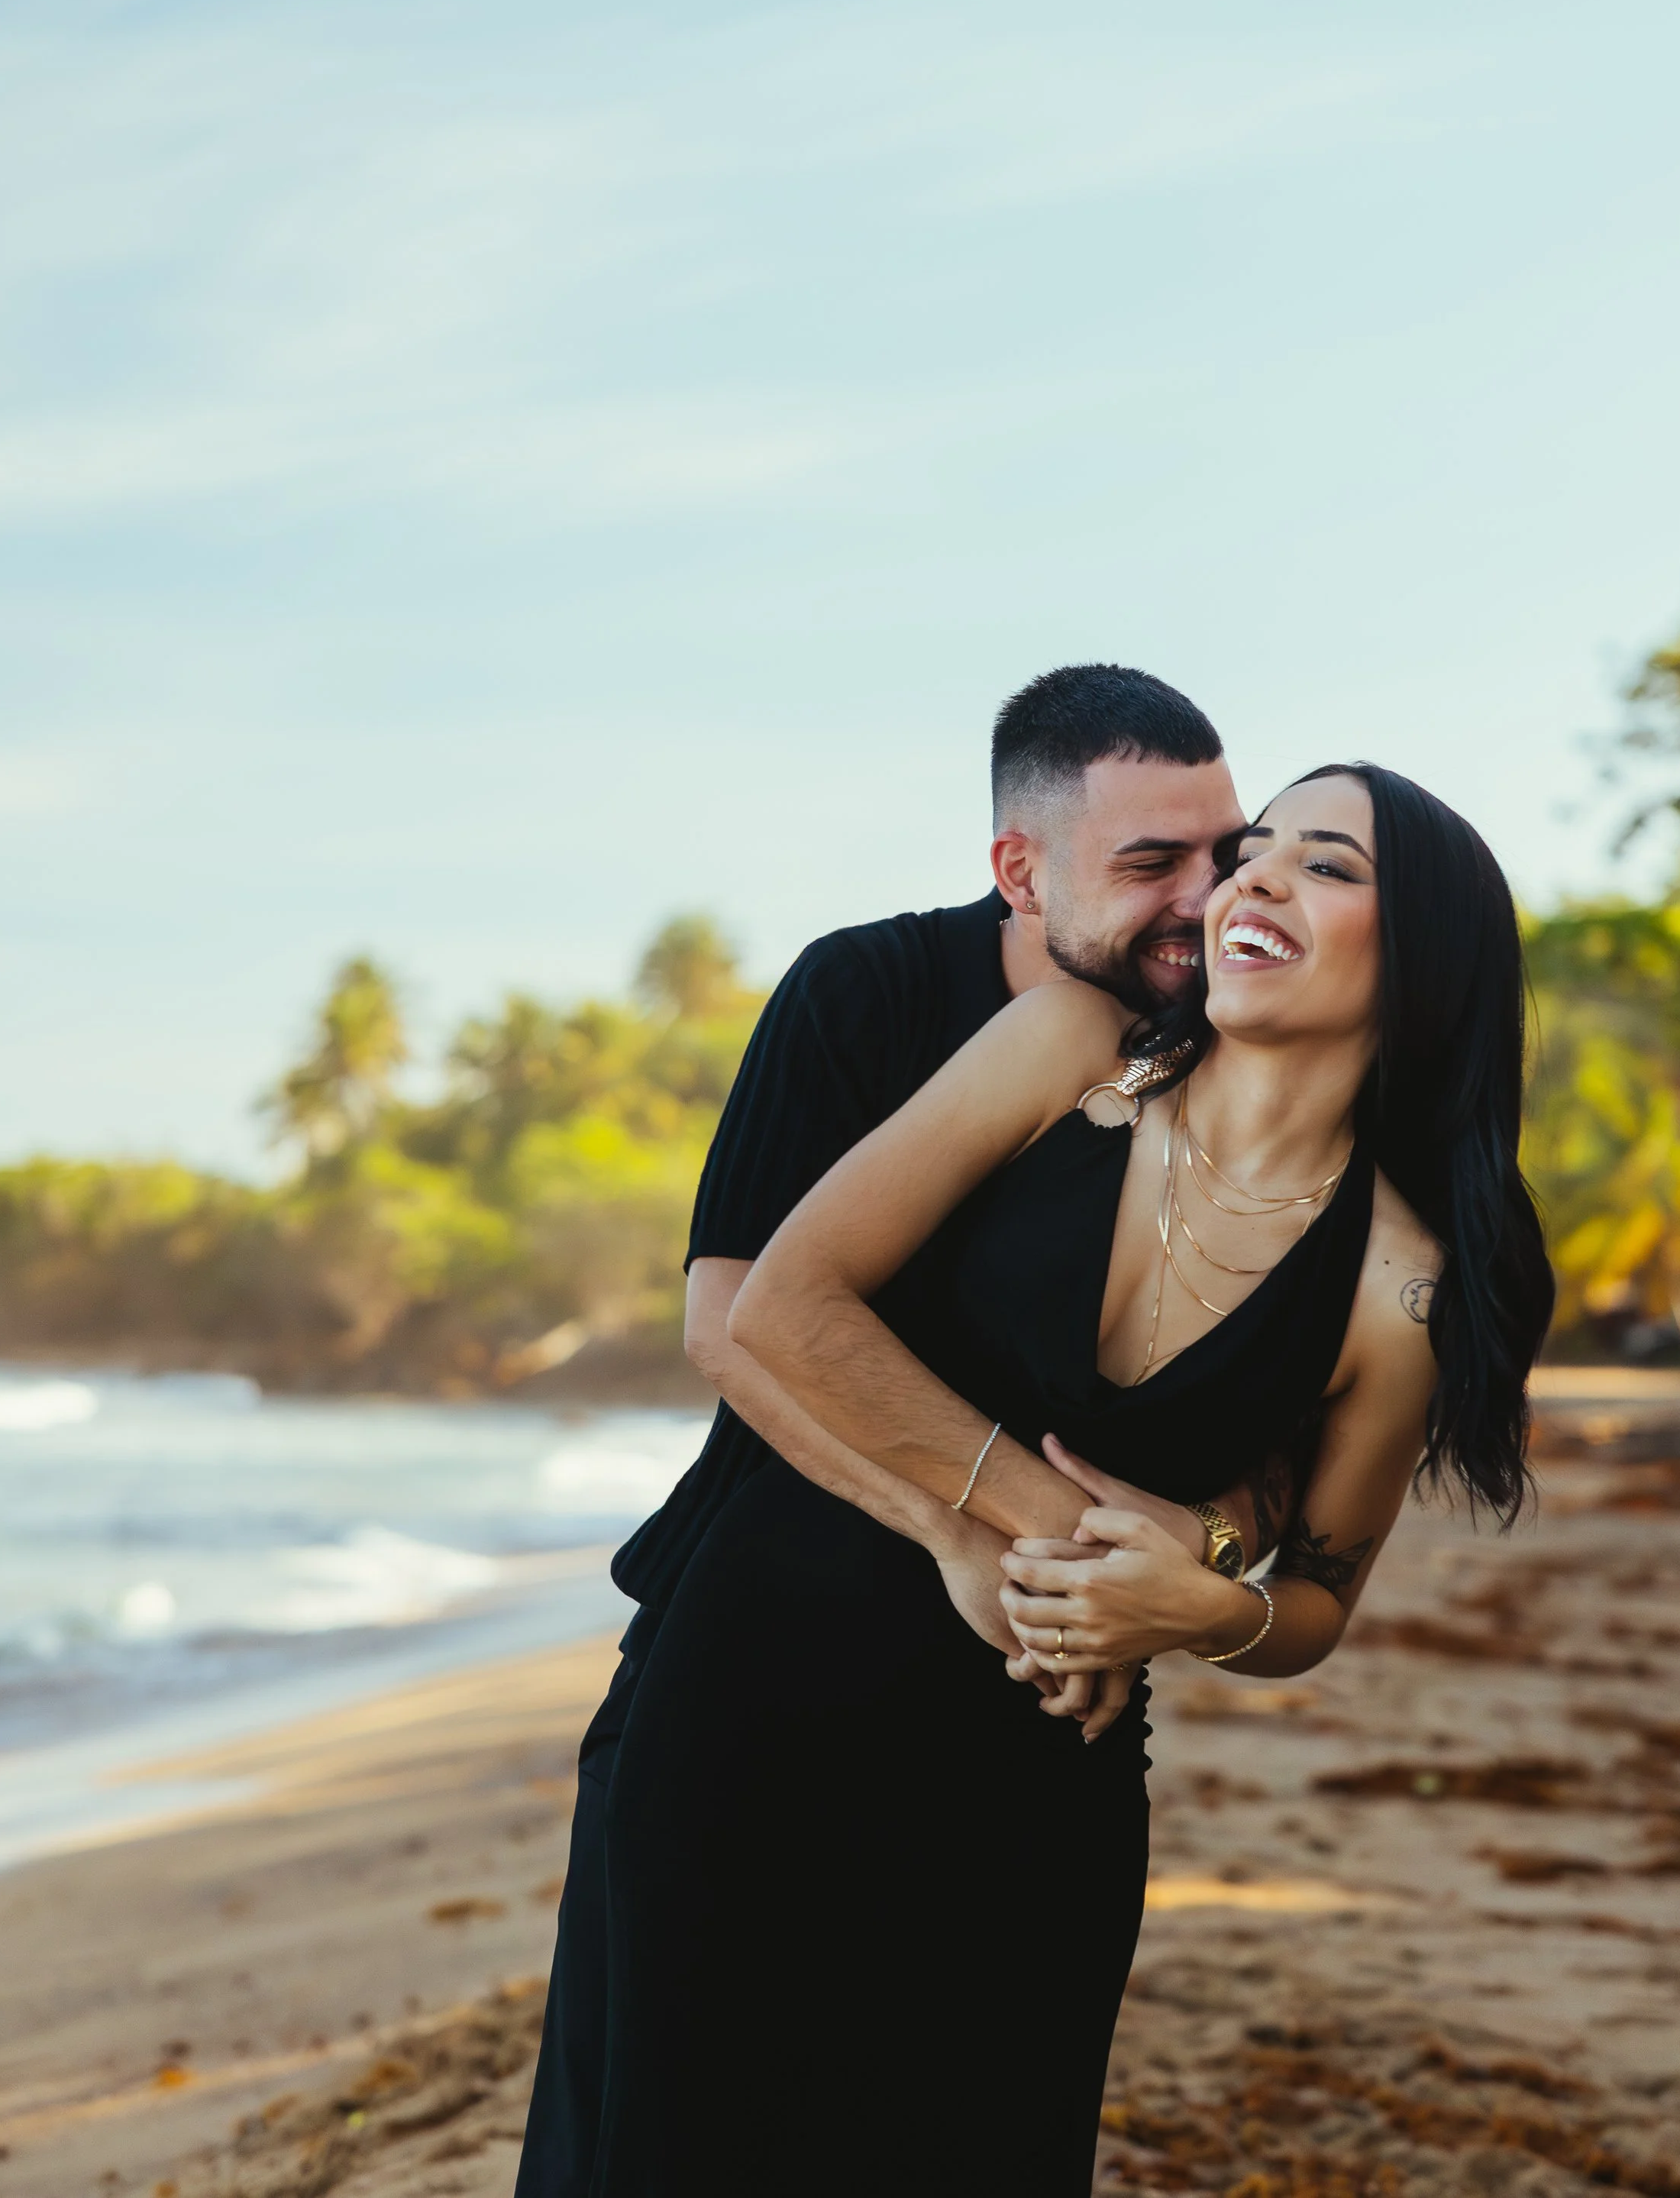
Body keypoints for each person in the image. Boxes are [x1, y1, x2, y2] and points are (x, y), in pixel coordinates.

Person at [719, 761, 1549, 2196]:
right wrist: (1052, 1536)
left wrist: (1200, 1607)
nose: (1256, 879)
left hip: (1042, 1764)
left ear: (1424, 964)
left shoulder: (1398, 1294)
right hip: (759, 1695)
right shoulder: (1063, 1047)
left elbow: (1318, 1605)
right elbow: (784, 1308)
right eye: (1256, 850)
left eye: (1328, 865)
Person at [515, 663, 1246, 2197]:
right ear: (1017, 866)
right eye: (1147, 863)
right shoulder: (862, 994)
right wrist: (955, 1529)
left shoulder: (1234, 1054)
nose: (1198, 897)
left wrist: (1185, 1564)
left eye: (1219, 850)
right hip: (757, 1674)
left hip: (1044, 1705)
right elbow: (731, 1321)